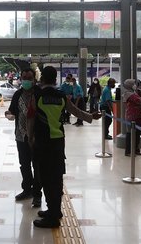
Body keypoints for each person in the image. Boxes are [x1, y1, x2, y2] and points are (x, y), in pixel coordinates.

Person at [32, 66, 101, 228]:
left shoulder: (37, 95)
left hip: (42, 142)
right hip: (58, 142)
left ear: (42, 78)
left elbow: (30, 118)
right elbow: (76, 112)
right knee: (56, 177)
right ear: (56, 79)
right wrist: (91, 117)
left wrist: (30, 138)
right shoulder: (61, 96)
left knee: (46, 178)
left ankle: (52, 217)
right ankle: (55, 210)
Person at [5, 68, 43, 208]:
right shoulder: (17, 94)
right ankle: (27, 190)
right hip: (20, 136)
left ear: (34, 79)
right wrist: (9, 114)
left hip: (36, 137)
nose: (26, 80)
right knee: (24, 164)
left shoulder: (39, 94)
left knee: (37, 165)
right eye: (24, 77)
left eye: (29, 78)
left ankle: (37, 195)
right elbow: (12, 111)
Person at [121, 79, 141, 156]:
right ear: (129, 85)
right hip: (133, 116)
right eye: (133, 84)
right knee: (130, 133)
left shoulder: (132, 93)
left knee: (137, 133)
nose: (135, 85)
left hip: (136, 116)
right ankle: (129, 151)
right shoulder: (130, 94)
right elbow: (140, 101)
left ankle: (136, 149)